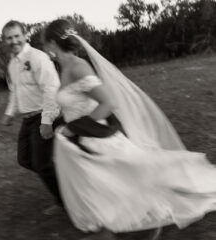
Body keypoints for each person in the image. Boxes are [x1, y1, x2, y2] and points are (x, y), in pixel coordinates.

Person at [43, 19, 216, 239]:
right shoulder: (64, 67)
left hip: (96, 136)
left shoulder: (78, 67)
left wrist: (75, 128)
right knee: (108, 181)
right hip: (81, 137)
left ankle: (138, 221)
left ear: (51, 43)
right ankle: (112, 226)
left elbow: (108, 103)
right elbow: (76, 101)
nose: (45, 48)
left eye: (45, 44)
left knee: (127, 175)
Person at [1, 20, 63, 214]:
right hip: (28, 119)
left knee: (42, 165)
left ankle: (64, 201)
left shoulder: (38, 57)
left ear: (25, 34)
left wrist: (46, 121)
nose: (13, 41)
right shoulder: (12, 64)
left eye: (17, 36)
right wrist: (9, 113)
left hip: (44, 116)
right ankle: (64, 179)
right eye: (9, 38)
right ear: (5, 40)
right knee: (25, 159)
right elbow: (15, 91)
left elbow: (51, 89)